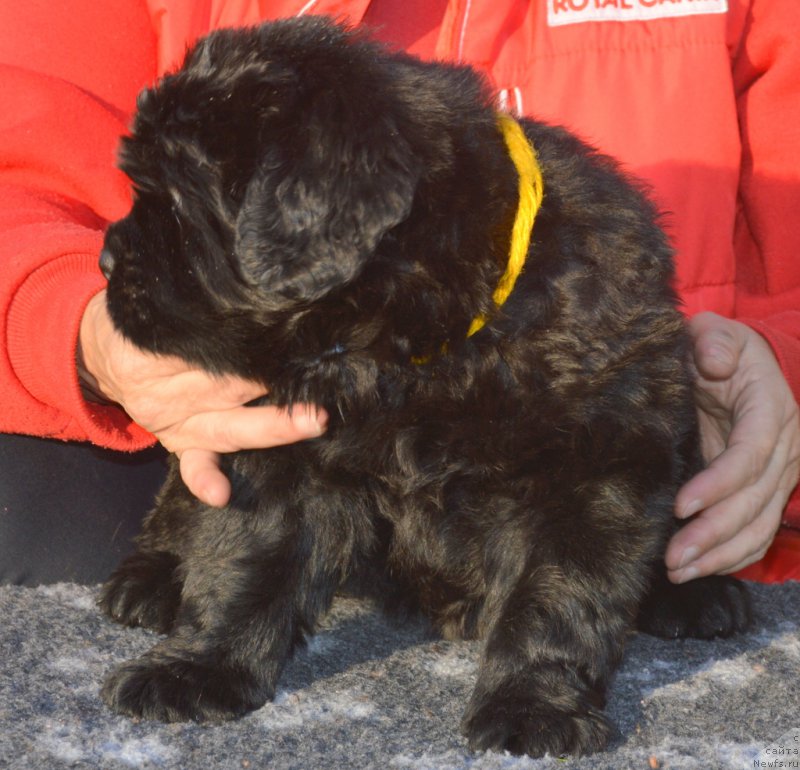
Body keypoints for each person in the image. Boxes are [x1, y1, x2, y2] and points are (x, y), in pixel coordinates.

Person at [1, 0, 798, 586]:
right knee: (37, 508)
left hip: (599, 511)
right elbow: (19, 163)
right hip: (263, 469)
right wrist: (81, 333)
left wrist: (781, 372)